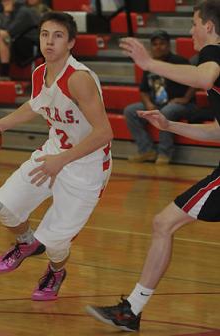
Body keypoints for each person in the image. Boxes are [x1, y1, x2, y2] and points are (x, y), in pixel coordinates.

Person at [86, 0, 220, 331]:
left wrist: (149, 63)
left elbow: (203, 77)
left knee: (164, 223)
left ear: (209, 27)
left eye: (194, 23)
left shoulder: (213, 55)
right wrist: (171, 127)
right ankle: (131, 310)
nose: (190, 30)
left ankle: (131, 310)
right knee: (164, 224)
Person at [0, 11, 113, 300]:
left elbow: (104, 132)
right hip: (53, 152)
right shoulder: (39, 72)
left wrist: (63, 160)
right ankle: (25, 243)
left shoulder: (78, 78)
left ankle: (56, 271)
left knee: (54, 243)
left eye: (58, 36)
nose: (49, 41)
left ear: (71, 42)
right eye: (45, 34)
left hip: (87, 166)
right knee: (3, 207)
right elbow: (35, 106)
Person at [124, 30, 196, 165]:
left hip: (182, 105)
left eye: (162, 43)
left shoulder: (179, 61)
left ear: (169, 45)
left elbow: (195, 81)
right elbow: (143, 91)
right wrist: (148, 104)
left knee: (166, 112)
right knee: (130, 111)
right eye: (155, 44)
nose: (158, 47)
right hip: (158, 103)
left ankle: (164, 153)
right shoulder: (148, 65)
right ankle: (147, 150)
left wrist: (185, 98)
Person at [0, 0, 40, 78]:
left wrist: (6, 15)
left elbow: (10, 30)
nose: (3, 3)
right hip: (14, 40)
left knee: (2, 38)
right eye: (3, 1)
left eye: (6, 1)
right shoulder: (10, 10)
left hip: (28, 44)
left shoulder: (24, 11)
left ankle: (4, 74)